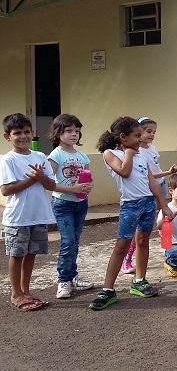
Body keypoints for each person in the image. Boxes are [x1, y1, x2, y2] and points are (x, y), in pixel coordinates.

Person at [90, 117, 174, 310]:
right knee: (122, 245)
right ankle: (108, 289)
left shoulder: (141, 156)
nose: (140, 140)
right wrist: (128, 152)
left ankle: (139, 281)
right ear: (123, 137)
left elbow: (152, 181)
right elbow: (124, 172)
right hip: (130, 205)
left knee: (143, 241)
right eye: (136, 136)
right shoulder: (110, 154)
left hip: (148, 204)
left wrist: (164, 205)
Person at [2, 113, 56, 311]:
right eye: (17, 133)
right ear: (8, 136)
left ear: (32, 133)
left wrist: (41, 176)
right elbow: (6, 189)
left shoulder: (40, 157)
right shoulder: (8, 160)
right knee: (17, 254)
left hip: (38, 215)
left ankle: (26, 291)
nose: (23, 136)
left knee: (31, 253)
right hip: (18, 218)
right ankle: (16, 294)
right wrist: (33, 179)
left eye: (26, 132)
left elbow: (50, 184)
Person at [122, 116, 177, 273]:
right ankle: (127, 258)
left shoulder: (152, 149)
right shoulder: (136, 152)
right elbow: (147, 175)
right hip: (144, 190)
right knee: (138, 229)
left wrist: (165, 175)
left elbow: (155, 170)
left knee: (157, 219)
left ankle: (166, 245)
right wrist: (166, 173)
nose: (152, 135)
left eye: (154, 132)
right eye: (148, 131)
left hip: (158, 187)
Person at [46, 114, 96, 299]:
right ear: (58, 133)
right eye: (69, 131)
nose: (74, 134)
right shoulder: (56, 155)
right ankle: (63, 280)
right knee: (67, 242)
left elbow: (88, 179)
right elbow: (49, 183)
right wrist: (72, 188)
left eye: (77, 131)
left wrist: (88, 186)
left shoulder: (82, 156)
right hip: (63, 203)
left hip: (81, 203)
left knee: (75, 241)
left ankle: (72, 276)